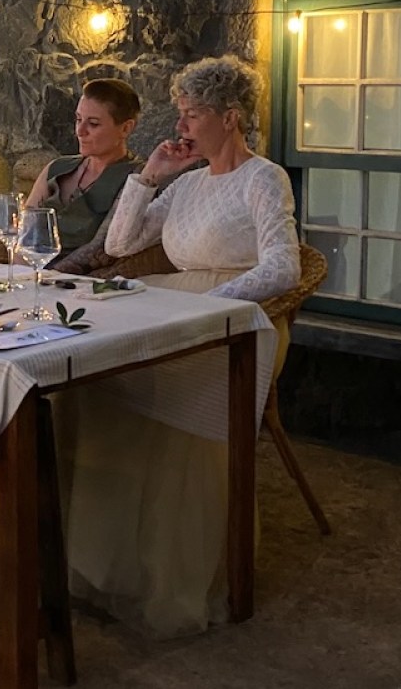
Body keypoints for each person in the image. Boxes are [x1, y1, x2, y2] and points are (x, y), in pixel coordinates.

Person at [59, 55, 300, 638]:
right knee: (93, 386)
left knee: (172, 411)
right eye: (182, 113)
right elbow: (119, 244)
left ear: (231, 116)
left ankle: (173, 576)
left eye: (193, 114)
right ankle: (101, 558)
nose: (183, 125)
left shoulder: (264, 178)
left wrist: (213, 302)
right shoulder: (188, 182)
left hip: (238, 320)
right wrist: (150, 177)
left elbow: (284, 267)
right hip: (174, 306)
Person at [24, 77, 143, 274]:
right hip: (33, 275)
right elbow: (25, 234)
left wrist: (50, 278)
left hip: (81, 283)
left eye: (93, 124)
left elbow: (101, 246)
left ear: (126, 128)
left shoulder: (135, 178)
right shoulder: (57, 168)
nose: (80, 131)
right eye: (78, 119)